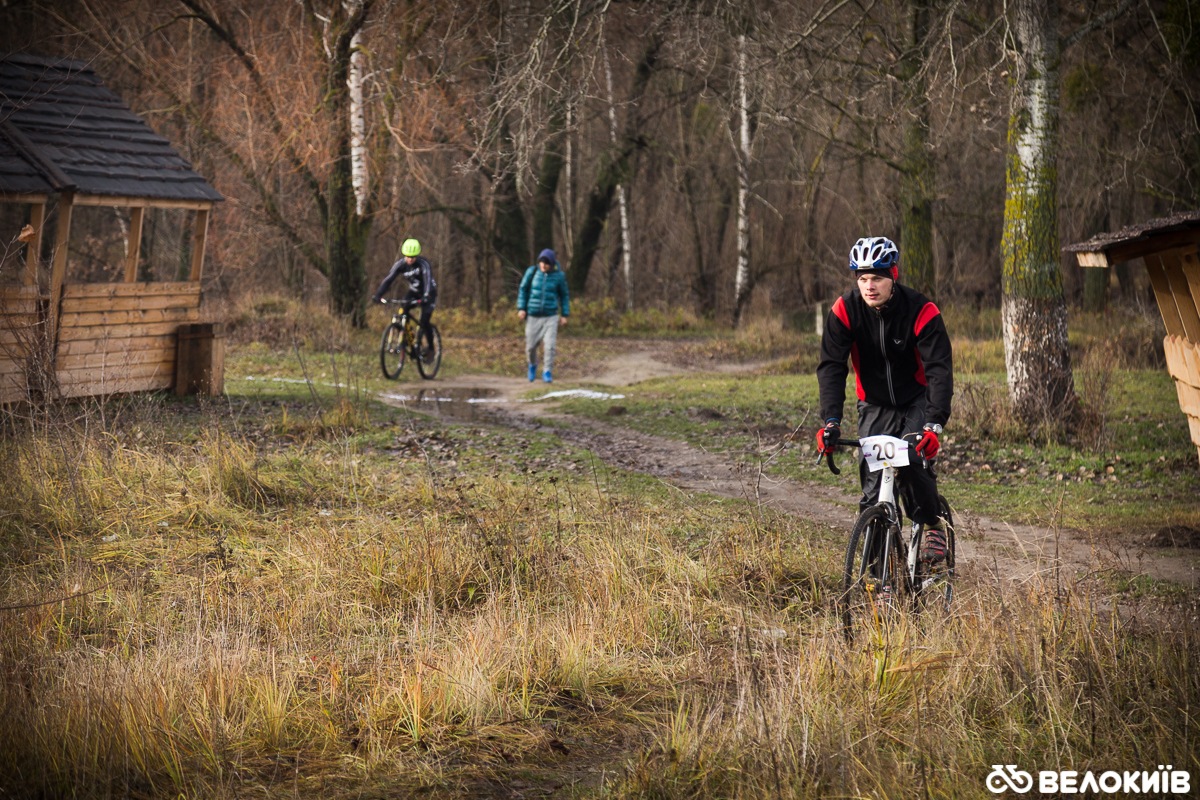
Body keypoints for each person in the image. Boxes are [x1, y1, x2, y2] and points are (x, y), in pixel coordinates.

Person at [815, 236, 954, 566]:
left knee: (914, 458)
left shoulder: (921, 310)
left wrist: (934, 423)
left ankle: (932, 524)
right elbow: (831, 367)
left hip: (917, 399)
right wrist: (831, 421)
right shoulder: (845, 311)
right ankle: (880, 579)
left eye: (877, 277)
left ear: (893, 275)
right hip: (874, 404)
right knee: (873, 491)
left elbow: (939, 369)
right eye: (862, 278)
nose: (869, 286)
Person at [372, 238, 438, 355]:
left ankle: (431, 349)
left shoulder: (423, 264)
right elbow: (389, 280)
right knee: (402, 311)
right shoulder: (400, 265)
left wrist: (426, 296)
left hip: (429, 293)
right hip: (414, 292)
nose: (410, 259)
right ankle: (407, 338)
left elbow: (427, 280)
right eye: (407, 256)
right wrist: (378, 294)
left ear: (417, 255)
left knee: (424, 321)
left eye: (412, 257)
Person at [517, 248, 570, 382]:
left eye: (546, 263)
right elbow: (523, 289)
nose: (543, 265)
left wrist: (564, 314)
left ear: (552, 264)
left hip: (551, 316)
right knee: (530, 347)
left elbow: (564, 296)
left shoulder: (559, 276)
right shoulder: (532, 272)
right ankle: (532, 365)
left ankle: (547, 371)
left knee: (549, 346)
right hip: (533, 316)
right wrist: (521, 308)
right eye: (541, 262)